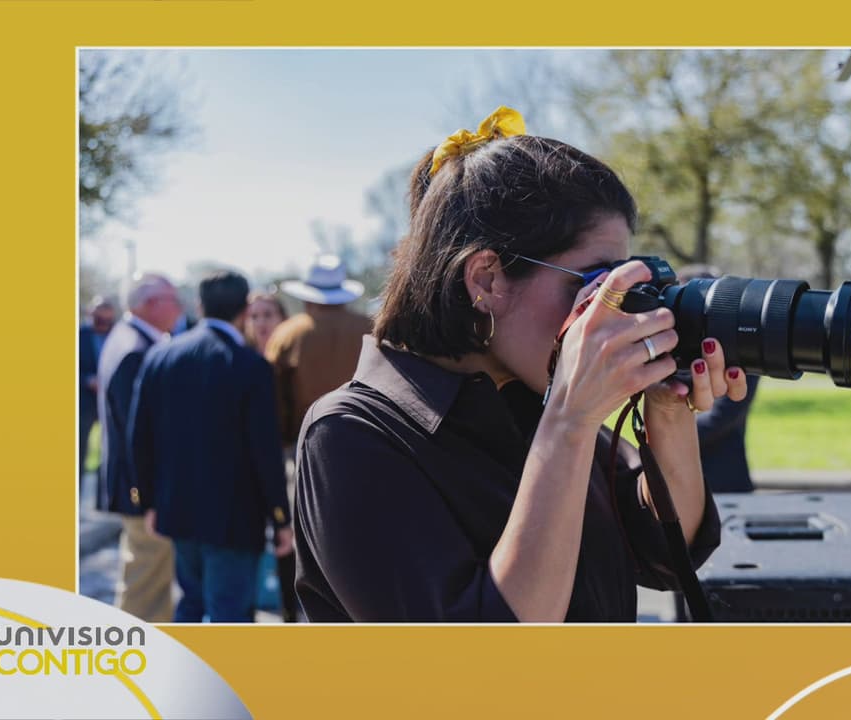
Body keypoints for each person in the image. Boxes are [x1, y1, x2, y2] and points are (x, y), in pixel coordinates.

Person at [292, 107, 748, 623]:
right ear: (485, 279)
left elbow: (667, 555)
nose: (609, 308)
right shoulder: (352, 435)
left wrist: (667, 411)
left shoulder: (531, 394)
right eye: (594, 280)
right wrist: (570, 422)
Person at [130, 271, 294, 623]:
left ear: (200, 306)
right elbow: (264, 451)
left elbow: (140, 437)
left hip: (179, 508)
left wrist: (147, 501)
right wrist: (280, 517)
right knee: (230, 616)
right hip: (233, 518)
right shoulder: (250, 366)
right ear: (245, 310)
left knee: (190, 604)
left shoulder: (161, 357)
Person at [265, 254, 372, 622]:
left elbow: (275, 402)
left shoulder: (288, 334)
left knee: (306, 536)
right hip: (371, 447)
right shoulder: (372, 327)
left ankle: (299, 614)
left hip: (304, 450)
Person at [96, 274, 182, 622]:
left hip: (136, 486)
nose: (179, 306)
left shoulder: (129, 339)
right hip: (140, 490)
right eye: (172, 299)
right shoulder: (136, 349)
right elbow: (140, 433)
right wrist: (147, 496)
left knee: (148, 582)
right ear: (149, 304)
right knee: (144, 589)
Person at [677, 266, 762, 493]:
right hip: (678, 481)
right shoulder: (673, 349)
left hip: (724, 479)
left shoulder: (742, 350)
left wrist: (668, 434)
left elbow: (722, 417)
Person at [79, 297, 116, 490]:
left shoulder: (117, 335)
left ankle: (104, 498)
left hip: (109, 401)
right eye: (98, 319)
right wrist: (87, 380)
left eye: (107, 319)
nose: (103, 323)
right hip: (84, 402)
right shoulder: (79, 335)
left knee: (110, 451)